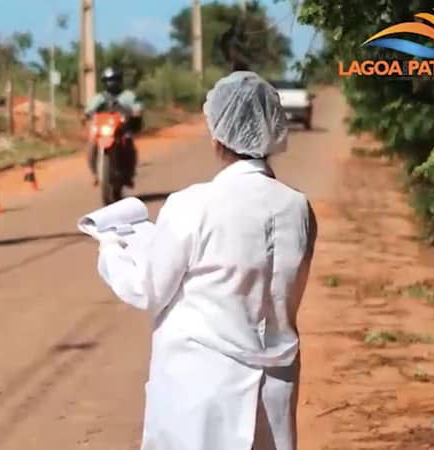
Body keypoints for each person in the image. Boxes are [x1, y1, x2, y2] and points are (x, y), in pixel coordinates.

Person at [93, 71, 317, 450]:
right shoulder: (298, 207)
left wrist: (111, 247)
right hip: (274, 384)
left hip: (201, 388)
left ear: (217, 135)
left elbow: (148, 290)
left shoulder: (192, 204)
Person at [84, 67, 142, 188]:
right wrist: (87, 114)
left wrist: (136, 112)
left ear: (119, 81)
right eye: (108, 80)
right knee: (92, 144)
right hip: (104, 128)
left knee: (128, 143)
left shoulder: (128, 95)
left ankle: (129, 173)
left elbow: (137, 107)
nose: (111, 83)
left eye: (114, 80)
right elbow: (89, 109)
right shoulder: (99, 97)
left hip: (121, 129)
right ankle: (95, 173)